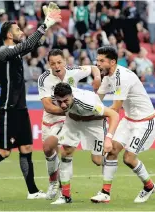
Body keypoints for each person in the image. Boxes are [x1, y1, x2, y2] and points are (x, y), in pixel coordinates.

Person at [0, 2, 62, 201]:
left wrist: (47, 24)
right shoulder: (2, 52)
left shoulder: (17, 52)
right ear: (9, 34)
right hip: (8, 109)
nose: (20, 31)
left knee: (26, 148)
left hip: (21, 108)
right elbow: (28, 44)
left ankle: (33, 191)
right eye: (17, 29)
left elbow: (33, 44)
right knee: (4, 151)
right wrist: (44, 25)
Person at [91, 46, 155, 203]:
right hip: (129, 120)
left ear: (112, 62)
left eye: (101, 61)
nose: (98, 64)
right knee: (112, 151)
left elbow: (115, 109)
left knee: (128, 158)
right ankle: (105, 193)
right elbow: (96, 100)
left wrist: (95, 117)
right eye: (97, 60)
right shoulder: (108, 77)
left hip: (145, 122)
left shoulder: (123, 77)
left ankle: (149, 186)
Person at [38, 49, 101, 200]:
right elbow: (48, 106)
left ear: (65, 62)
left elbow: (93, 67)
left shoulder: (73, 71)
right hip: (50, 118)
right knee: (47, 150)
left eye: (59, 62)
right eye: (53, 63)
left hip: (65, 120)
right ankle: (54, 182)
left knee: (63, 149)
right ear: (49, 64)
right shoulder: (44, 79)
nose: (56, 66)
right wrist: (65, 110)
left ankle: (63, 189)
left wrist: (97, 77)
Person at [50, 82, 119, 204]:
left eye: (66, 100)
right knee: (66, 151)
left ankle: (111, 161)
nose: (63, 104)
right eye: (60, 102)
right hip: (73, 120)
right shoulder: (56, 97)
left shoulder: (86, 103)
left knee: (97, 160)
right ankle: (65, 195)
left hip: (94, 122)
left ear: (72, 96)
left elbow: (113, 115)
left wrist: (108, 138)